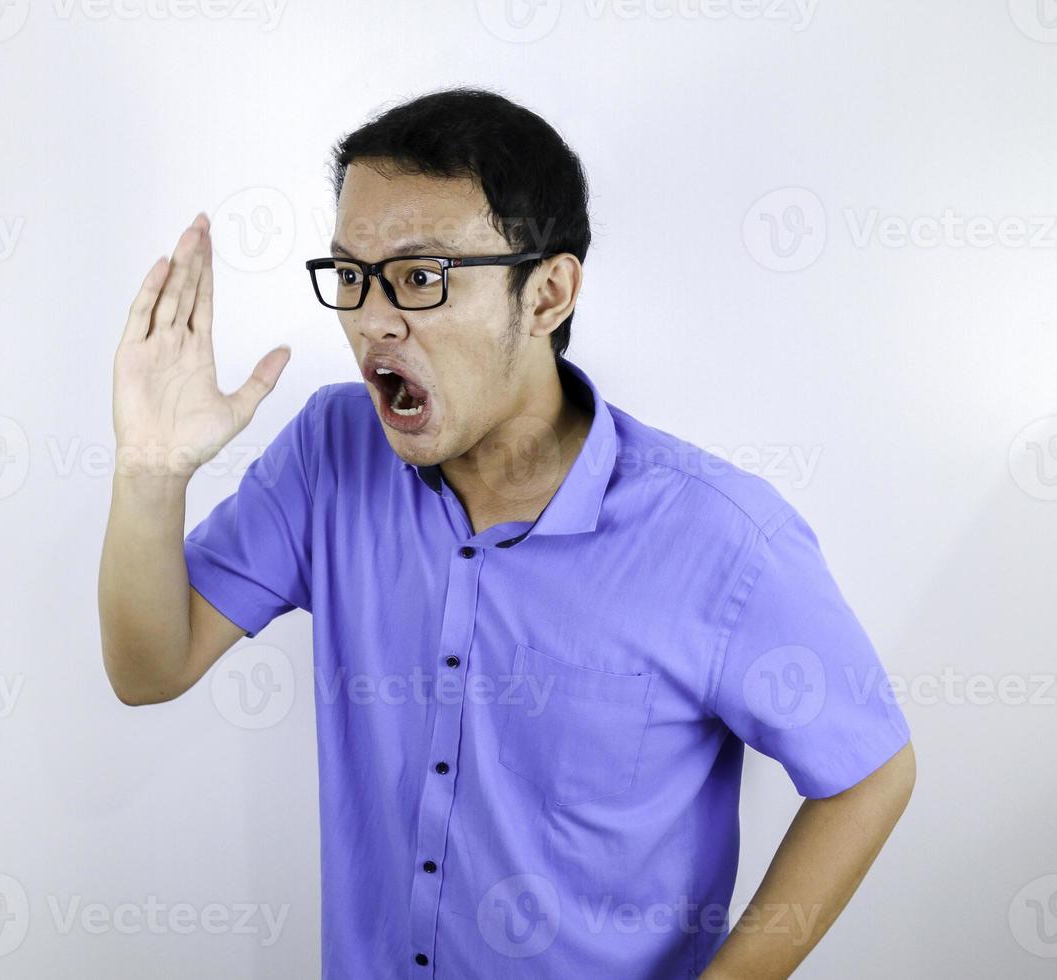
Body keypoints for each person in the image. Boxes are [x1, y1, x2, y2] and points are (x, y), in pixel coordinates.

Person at [99, 86, 915, 979]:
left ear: (548, 294)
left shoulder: (723, 540)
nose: (373, 319)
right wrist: (151, 470)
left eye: (422, 276)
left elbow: (869, 773)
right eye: (351, 275)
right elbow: (150, 669)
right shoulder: (332, 456)